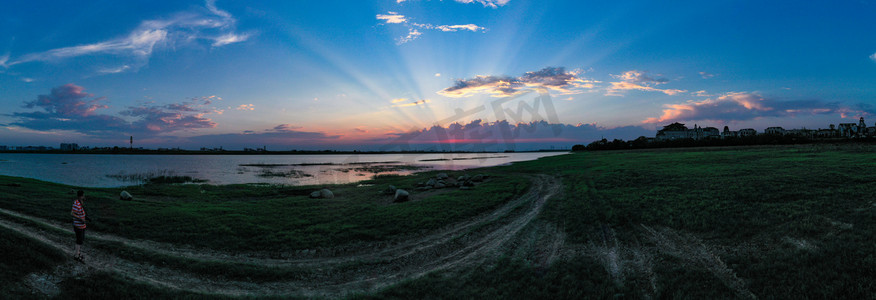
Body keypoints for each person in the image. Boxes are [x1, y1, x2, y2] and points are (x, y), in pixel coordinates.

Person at [71, 190, 88, 261]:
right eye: (83, 195)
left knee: (81, 239)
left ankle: (78, 253)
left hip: (82, 225)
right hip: (78, 226)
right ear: (81, 196)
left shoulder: (80, 202)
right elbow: (72, 213)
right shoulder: (76, 203)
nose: (84, 196)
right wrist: (80, 219)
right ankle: (76, 256)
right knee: (79, 240)